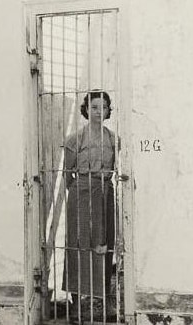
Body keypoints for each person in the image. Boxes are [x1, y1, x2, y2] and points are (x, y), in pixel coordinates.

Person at [62, 90, 117, 321]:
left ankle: (103, 301)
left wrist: (101, 187)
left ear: (108, 111)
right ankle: (76, 303)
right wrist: (81, 191)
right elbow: (67, 175)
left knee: (103, 243)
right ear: (86, 109)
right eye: (94, 107)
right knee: (78, 243)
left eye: (103, 107)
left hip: (104, 191)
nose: (98, 111)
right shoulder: (75, 138)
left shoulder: (113, 139)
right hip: (81, 193)